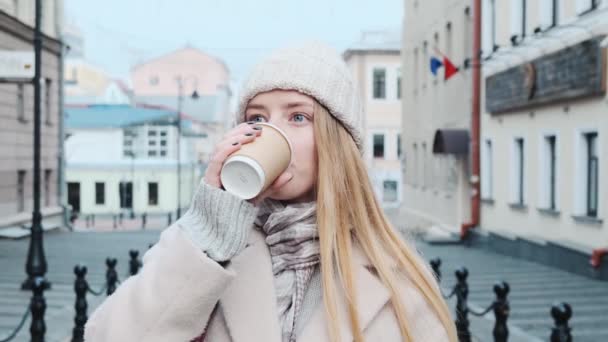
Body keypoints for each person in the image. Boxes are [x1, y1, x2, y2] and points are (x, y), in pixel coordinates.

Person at [84, 41, 457, 342]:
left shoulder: (393, 272)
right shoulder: (207, 253)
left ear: (336, 142)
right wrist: (208, 234)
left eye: (298, 117)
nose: (268, 133)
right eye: (256, 119)